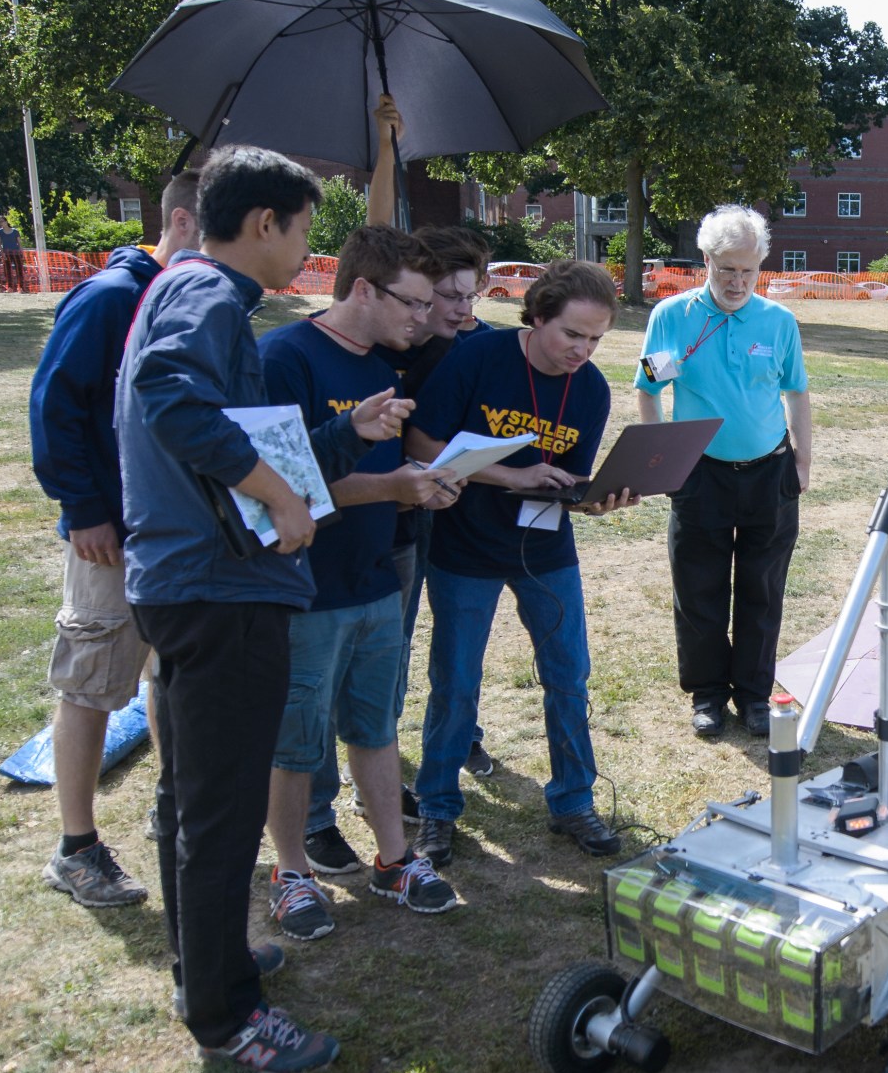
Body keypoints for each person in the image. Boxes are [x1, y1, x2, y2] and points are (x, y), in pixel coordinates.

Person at [117, 144, 409, 1073]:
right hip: (217, 590)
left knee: (189, 798)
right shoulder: (207, 298)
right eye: (304, 232)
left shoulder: (191, 291)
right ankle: (228, 1016)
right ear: (263, 225)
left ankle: (206, 967)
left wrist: (337, 435)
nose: (306, 253)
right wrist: (283, 502)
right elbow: (171, 398)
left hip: (190, 585)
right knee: (221, 811)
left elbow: (245, 435)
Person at [258, 225, 461, 938]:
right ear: (364, 290)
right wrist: (389, 489)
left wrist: (421, 488)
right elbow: (272, 490)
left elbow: (383, 469)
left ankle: (394, 861)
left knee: (375, 728)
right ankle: (291, 873)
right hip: (306, 588)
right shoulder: (284, 358)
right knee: (294, 740)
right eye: (412, 302)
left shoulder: (387, 362)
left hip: (377, 577)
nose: (422, 317)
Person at [404, 260, 636, 866]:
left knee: (568, 674)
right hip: (465, 547)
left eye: (596, 340)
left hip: (545, 548)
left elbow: (568, 478)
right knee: (455, 683)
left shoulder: (591, 390)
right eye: (572, 335)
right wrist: (514, 475)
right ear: (536, 317)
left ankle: (573, 802)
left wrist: (595, 497)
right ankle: (436, 806)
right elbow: (423, 447)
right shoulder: (478, 357)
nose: (582, 351)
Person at [29, 171, 201, 909]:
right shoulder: (109, 298)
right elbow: (55, 408)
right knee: (95, 676)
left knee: (170, 675)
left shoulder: (193, 302)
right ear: (187, 222)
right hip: (110, 534)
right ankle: (77, 848)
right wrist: (85, 508)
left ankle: (176, 812)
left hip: (176, 531)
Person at [303, 222, 497, 864]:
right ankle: (313, 813)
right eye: (436, 297)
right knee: (317, 685)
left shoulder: (458, 345)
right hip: (331, 541)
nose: (452, 310)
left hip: (400, 534)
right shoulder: (370, 348)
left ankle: (375, 791)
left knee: (381, 670)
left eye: (468, 297)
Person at [634, 204, 812, 738]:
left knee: (762, 589)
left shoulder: (778, 322)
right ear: (705, 261)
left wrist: (802, 460)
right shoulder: (673, 317)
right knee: (699, 587)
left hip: (768, 472)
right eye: (725, 269)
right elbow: (648, 389)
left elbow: (796, 391)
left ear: (761, 267)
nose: (737, 282)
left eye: (748, 270)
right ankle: (708, 694)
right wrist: (662, 459)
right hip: (700, 473)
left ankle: (754, 695)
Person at [0, 213, 28, 292]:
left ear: (6, 221)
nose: (1, 223)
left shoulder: (15, 231)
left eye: (2, 221)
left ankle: (21, 287)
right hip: (6, 253)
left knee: (19, 269)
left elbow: (19, 243)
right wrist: (2, 253)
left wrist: (22, 253)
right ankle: (10, 287)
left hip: (16, 252)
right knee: (7, 270)